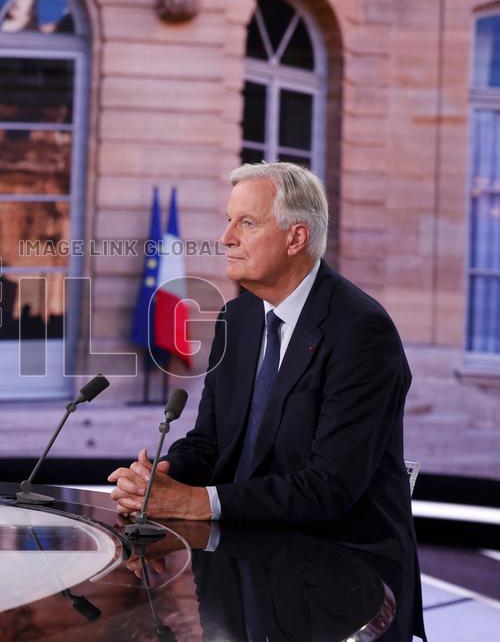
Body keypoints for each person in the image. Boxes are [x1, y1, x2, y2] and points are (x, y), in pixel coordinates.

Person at [109, 161, 425, 640]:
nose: (226, 238)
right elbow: (211, 442)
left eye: (247, 223)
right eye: (228, 220)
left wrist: (196, 503)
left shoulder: (361, 330)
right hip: (251, 555)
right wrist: (163, 477)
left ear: (295, 238)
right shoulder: (236, 318)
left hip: (345, 579)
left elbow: (328, 488)